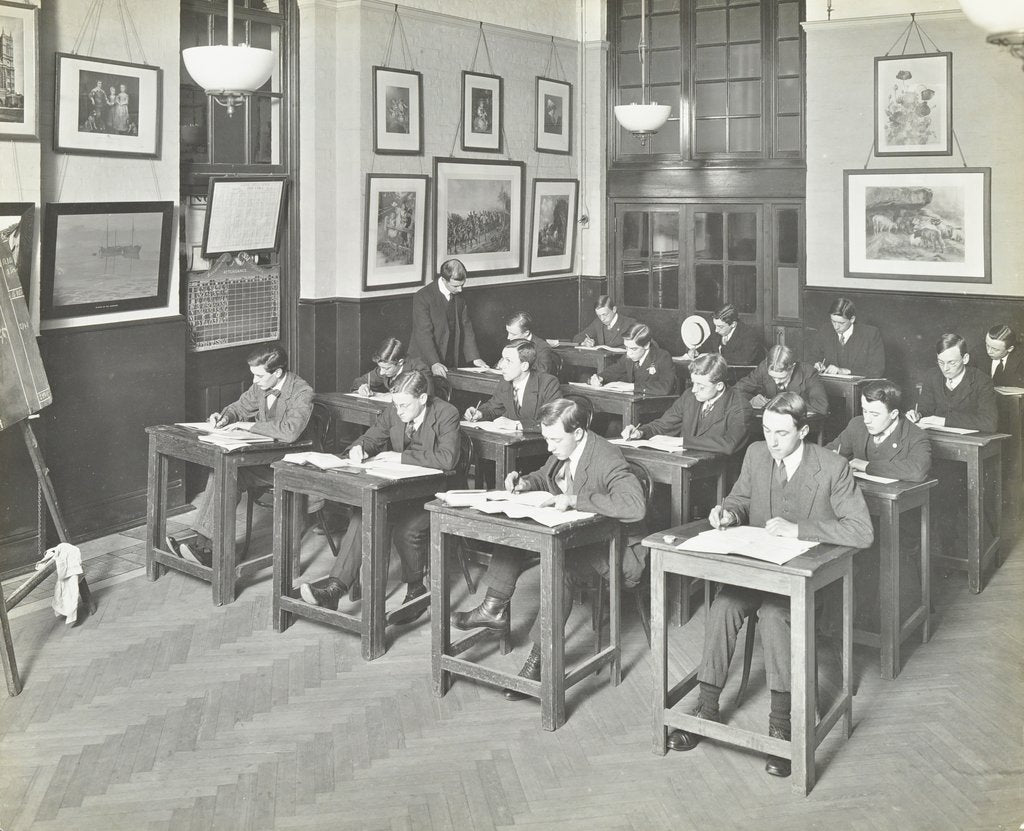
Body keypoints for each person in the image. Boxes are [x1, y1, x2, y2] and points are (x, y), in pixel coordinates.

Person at [667, 392, 873, 778]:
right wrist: (727, 512)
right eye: (766, 430)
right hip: (760, 567)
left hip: (809, 577)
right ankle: (706, 707)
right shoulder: (757, 454)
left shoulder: (831, 466)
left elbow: (862, 532)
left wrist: (801, 530)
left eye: (781, 433)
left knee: (777, 616)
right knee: (724, 607)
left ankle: (782, 724)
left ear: (804, 430)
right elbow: (741, 498)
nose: (772, 441)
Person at [450, 398, 645, 698]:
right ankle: (493, 608)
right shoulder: (561, 450)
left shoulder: (606, 456)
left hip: (606, 549)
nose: (549, 447)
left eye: (554, 440)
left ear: (578, 433)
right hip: (571, 536)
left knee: (559, 568)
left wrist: (577, 500)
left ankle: (540, 658)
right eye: (546, 439)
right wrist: (525, 483)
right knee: (516, 529)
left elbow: (634, 506)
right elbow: (546, 476)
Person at [298, 371, 460, 624]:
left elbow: (447, 459)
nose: (399, 410)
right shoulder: (395, 409)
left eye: (404, 405)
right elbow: (373, 436)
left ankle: (416, 588)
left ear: (423, 398)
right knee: (364, 514)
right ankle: (335, 588)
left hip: (433, 494)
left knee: (407, 529)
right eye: (396, 404)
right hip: (399, 489)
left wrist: (401, 457)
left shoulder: (446, 413)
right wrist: (359, 448)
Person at [166, 344, 313, 566]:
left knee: (227, 472)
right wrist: (225, 418)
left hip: (292, 465)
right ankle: (205, 547)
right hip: (265, 459)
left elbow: (290, 431)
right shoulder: (261, 386)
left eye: (259, 376)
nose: (254, 381)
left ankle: (206, 548)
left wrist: (247, 426)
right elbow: (239, 407)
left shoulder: (302, 392)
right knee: (223, 472)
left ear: (278, 373)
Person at [621, 353, 754, 456]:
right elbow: (664, 425)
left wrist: (682, 442)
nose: (694, 389)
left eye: (701, 386)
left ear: (719, 386)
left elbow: (729, 444)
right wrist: (640, 432)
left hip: (719, 477)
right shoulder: (690, 396)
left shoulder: (740, 406)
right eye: (693, 383)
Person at [827, 379, 931, 483]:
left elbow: (917, 471)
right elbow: (827, 452)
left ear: (893, 414)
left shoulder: (916, 436)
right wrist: (831, 458)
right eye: (864, 411)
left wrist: (866, 466)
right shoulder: (857, 425)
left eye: (875, 414)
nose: (866, 420)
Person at [408, 258, 489, 379]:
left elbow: (466, 326)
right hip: (424, 359)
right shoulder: (423, 297)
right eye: (456, 286)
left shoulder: (459, 295)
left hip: (450, 357)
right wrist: (434, 362)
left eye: (462, 285)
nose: (460, 289)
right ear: (444, 280)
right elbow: (423, 333)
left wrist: (475, 357)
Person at [906, 333, 998, 432]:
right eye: (941, 362)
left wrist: (944, 421)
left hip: (969, 443)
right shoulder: (932, 376)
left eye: (951, 363)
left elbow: (989, 423)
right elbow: (926, 409)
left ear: (965, 359)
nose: (945, 368)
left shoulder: (982, 381)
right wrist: (918, 415)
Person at [463, 339, 561, 432]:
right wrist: (480, 413)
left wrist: (517, 425)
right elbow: (494, 407)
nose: (501, 366)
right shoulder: (506, 381)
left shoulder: (548, 383)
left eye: (508, 360)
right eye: (502, 359)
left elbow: (554, 421)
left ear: (524, 366)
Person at [735, 345, 829, 415]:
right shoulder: (763, 368)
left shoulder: (808, 373)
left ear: (792, 368)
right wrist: (751, 400)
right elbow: (736, 390)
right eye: (773, 377)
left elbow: (821, 407)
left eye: (781, 378)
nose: (776, 381)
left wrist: (776, 404)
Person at [589, 322, 678, 396]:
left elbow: (665, 388)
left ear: (646, 345)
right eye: (626, 348)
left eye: (633, 349)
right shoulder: (629, 357)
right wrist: (599, 377)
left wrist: (632, 387)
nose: (628, 353)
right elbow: (614, 371)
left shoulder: (662, 357)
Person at [808, 298, 885, 377]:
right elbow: (813, 357)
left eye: (841, 323)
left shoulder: (870, 334)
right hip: (828, 385)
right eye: (833, 321)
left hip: (858, 387)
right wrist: (817, 365)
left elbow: (877, 370)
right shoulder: (825, 330)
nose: (836, 327)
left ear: (852, 319)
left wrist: (845, 371)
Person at [350, 337, 433, 396]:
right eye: (380, 367)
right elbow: (358, 382)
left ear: (400, 362)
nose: (382, 372)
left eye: (386, 368)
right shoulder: (384, 368)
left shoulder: (420, 369)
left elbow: (426, 399)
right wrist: (362, 388)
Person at [503, 310, 557, 377]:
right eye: (508, 332)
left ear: (526, 333)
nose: (508, 337)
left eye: (513, 334)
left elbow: (542, 373)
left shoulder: (542, 347)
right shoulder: (513, 342)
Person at [986, 323, 1024, 387]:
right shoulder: (976, 353)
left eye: (995, 349)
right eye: (987, 345)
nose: (989, 351)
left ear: (1010, 349)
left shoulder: (1021, 359)